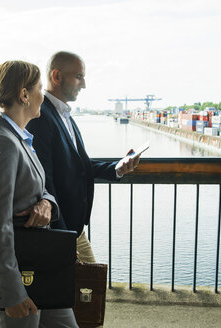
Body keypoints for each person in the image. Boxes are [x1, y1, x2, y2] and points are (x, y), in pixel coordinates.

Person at [0, 60, 79, 327]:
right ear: (24, 95)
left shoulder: (19, 138)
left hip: (39, 265)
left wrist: (47, 202)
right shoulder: (2, 143)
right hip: (21, 273)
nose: (42, 96)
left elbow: (40, 188)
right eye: (39, 89)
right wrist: (12, 294)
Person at [26, 51, 140, 263]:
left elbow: (79, 165)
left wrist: (117, 168)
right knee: (87, 290)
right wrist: (61, 238)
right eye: (79, 76)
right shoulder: (41, 116)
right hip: (61, 230)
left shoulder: (62, 114)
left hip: (73, 229)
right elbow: (44, 179)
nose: (84, 84)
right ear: (57, 76)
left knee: (84, 290)